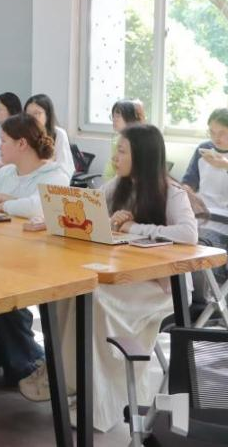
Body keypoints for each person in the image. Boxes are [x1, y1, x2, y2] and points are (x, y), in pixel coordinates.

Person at [56, 124, 200, 431]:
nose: (115, 157)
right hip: (128, 277)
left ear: (142, 156)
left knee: (96, 298)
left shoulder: (172, 193)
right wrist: (110, 221)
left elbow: (189, 234)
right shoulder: (118, 185)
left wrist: (135, 228)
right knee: (72, 291)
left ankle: (102, 399)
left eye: (122, 151)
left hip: (162, 288)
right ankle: (73, 381)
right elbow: (89, 212)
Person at [0, 112, 70, 400]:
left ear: (22, 144)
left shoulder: (55, 174)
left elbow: (37, 207)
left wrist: (4, 205)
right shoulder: (7, 172)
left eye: (4, 141)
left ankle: (27, 362)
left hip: (36, 258)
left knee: (2, 290)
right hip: (0, 251)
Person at [24, 94, 74, 178]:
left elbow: (65, 167)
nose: (31, 118)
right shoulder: (21, 134)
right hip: (26, 179)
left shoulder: (59, 134)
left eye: (37, 113)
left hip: (50, 180)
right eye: (28, 114)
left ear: (47, 115)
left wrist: (46, 164)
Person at [103, 98, 146, 180]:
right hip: (111, 183)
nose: (114, 120)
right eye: (113, 116)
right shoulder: (117, 139)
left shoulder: (137, 142)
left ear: (130, 118)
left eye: (118, 116)